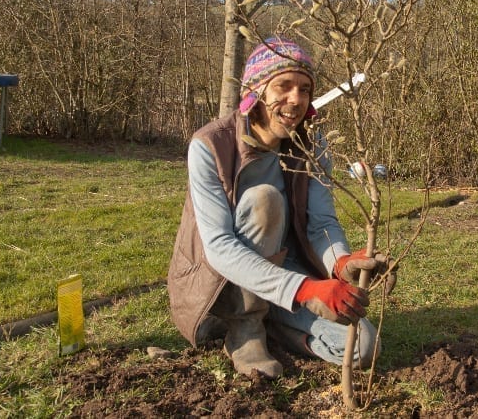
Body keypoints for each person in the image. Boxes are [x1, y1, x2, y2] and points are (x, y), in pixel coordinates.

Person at [168, 37, 394, 379]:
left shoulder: (311, 144)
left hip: (284, 271)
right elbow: (219, 247)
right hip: (222, 285)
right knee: (266, 200)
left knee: (362, 347)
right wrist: (305, 290)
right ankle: (244, 327)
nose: (296, 99)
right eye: (283, 86)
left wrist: (341, 262)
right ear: (256, 91)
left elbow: (321, 223)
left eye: (304, 89)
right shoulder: (210, 145)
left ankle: (272, 319)